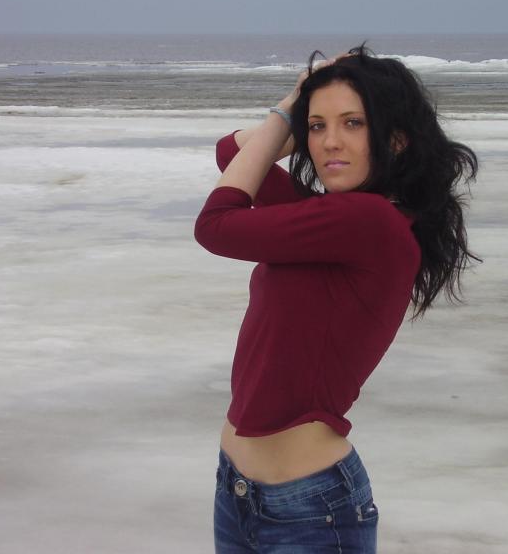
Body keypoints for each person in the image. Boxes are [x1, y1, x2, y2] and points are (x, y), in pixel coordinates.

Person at [194, 45, 480, 553]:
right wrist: (294, 106)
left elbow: (215, 225)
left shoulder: (369, 222)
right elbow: (229, 153)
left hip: (309, 510)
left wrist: (288, 114)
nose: (330, 142)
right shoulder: (334, 221)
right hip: (238, 491)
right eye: (318, 127)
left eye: (353, 123)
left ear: (395, 139)